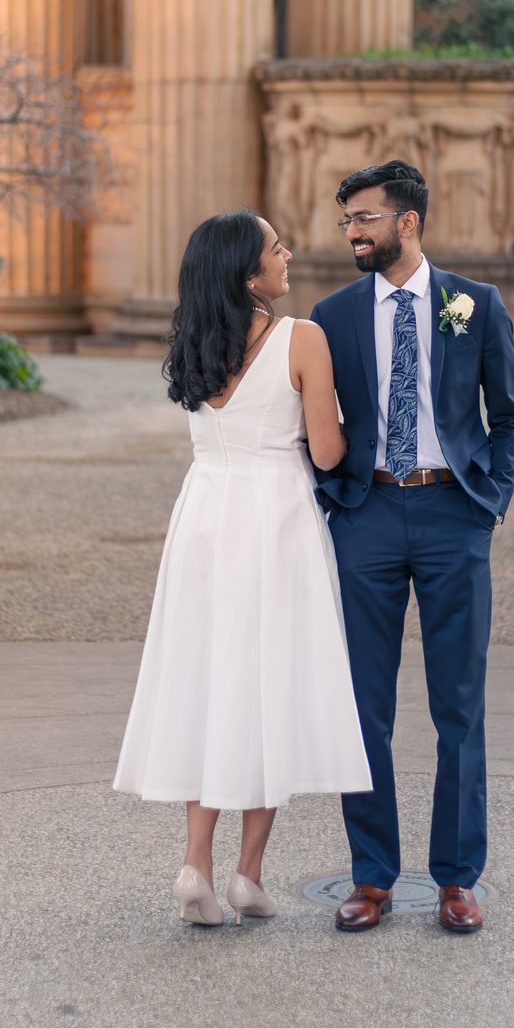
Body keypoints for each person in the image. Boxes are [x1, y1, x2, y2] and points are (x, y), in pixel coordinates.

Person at [113, 210, 372, 927]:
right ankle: (246, 876)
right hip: (275, 519)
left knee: (212, 682)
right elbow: (325, 452)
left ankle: (194, 863)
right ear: (247, 273)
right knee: (269, 686)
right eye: (275, 249)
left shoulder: (190, 337)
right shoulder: (301, 339)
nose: (288, 256)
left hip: (203, 516)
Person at [310, 160, 514, 935]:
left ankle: (455, 879)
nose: (350, 233)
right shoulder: (330, 316)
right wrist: (330, 498)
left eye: (363, 218)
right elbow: (309, 417)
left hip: (451, 516)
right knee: (362, 707)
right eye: (345, 222)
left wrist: (487, 506)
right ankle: (371, 878)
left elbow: (510, 418)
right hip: (366, 516)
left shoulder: (474, 305)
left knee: (457, 707)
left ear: (407, 221)